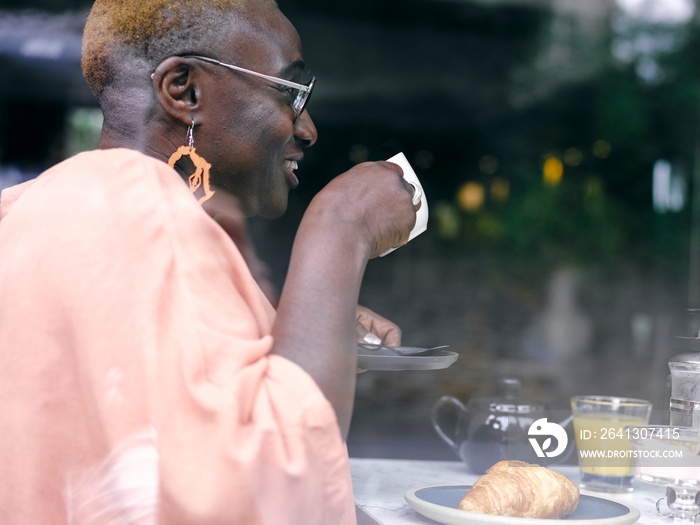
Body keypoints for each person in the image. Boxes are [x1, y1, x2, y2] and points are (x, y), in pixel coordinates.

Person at [0, 0, 418, 524]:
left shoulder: (46, 208)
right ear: (185, 91)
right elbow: (272, 489)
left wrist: (308, 327)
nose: (307, 128)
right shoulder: (136, 199)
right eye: (290, 92)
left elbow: (153, 446)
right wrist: (340, 225)